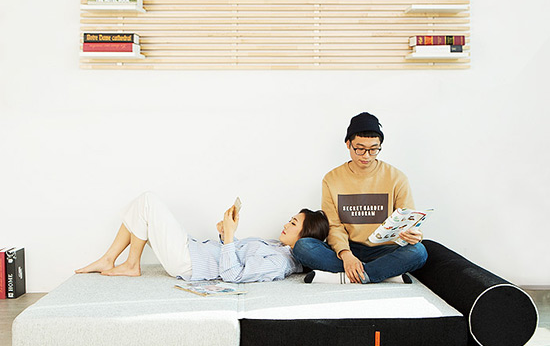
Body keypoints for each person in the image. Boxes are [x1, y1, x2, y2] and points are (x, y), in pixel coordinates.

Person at [292, 112, 428, 284]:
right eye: (360, 148)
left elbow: (408, 222)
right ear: (348, 144)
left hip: (385, 249)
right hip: (348, 247)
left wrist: (413, 235)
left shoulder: (397, 178)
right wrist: (346, 254)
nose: (366, 156)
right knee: (303, 247)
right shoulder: (331, 179)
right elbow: (334, 225)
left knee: (418, 252)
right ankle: (383, 273)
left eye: (373, 149)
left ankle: (346, 276)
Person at [76, 192, 329, 283]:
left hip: (188, 262)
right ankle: (110, 259)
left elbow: (232, 275)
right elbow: (235, 255)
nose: (286, 224)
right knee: (142, 209)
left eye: (293, 223)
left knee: (147, 201)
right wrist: (225, 233)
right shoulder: (277, 247)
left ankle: (131, 265)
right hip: (192, 250)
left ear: (305, 235)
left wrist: (229, 237)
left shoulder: (279, 262)